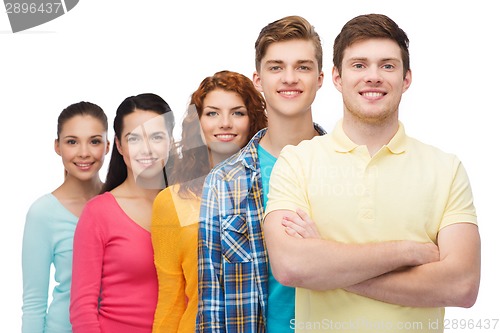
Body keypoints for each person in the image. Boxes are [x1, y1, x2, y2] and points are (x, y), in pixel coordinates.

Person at [263, 13, 480, 333]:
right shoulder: (296, 162)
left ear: (406, 79)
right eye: (359, 65)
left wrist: (329, 269)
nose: (373, 76)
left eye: (388, 65)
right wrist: (408, 252)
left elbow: (462, 285)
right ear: (337, 77)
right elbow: (292, 266)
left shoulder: (446, 169)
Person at [197, 16, 326, 333]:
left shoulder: (352, 167)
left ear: (321, 78)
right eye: (276, 67)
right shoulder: (224, 181)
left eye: (303, 67)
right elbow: (212, 300)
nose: (290, 78)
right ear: (258, 79)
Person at [151, 70, 267, 333]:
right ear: (198, 123)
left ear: (252, 121)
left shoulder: (272, 188)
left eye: (238, 113)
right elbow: (171, 299)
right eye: (212, 113)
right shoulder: (171, 202)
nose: (224, 123)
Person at [70, 93, 175, 333]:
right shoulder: (98, 213)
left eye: (157, 137)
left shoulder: (187, 205)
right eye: (134, 138)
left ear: (170, 140)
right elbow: (82, 308)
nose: (146, 148)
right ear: (119, 145)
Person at [21, 101, 109, 333]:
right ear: (57, 146)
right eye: (72, 142)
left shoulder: (120, 202)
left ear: (109, 145)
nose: (84, 153)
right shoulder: (42, 213)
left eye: (94, 141)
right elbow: (33, 303)